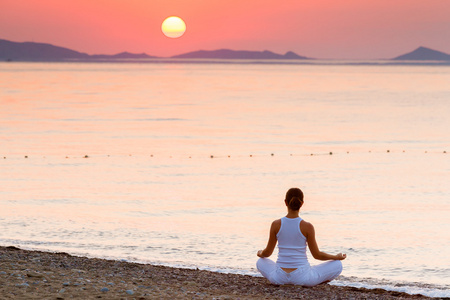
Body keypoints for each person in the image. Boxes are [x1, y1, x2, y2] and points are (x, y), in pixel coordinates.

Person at [256, 187, 346, 286]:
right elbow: (317, 255)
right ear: (302, 203)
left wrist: (261, 253)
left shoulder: (276, 224)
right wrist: (336, 257)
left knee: (260, 261)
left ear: (285, 202)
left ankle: (288, 280)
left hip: (279, 277)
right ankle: (316, 282)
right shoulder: (307, 226)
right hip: (302, 277)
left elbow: (267, 253)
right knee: (337, 265)